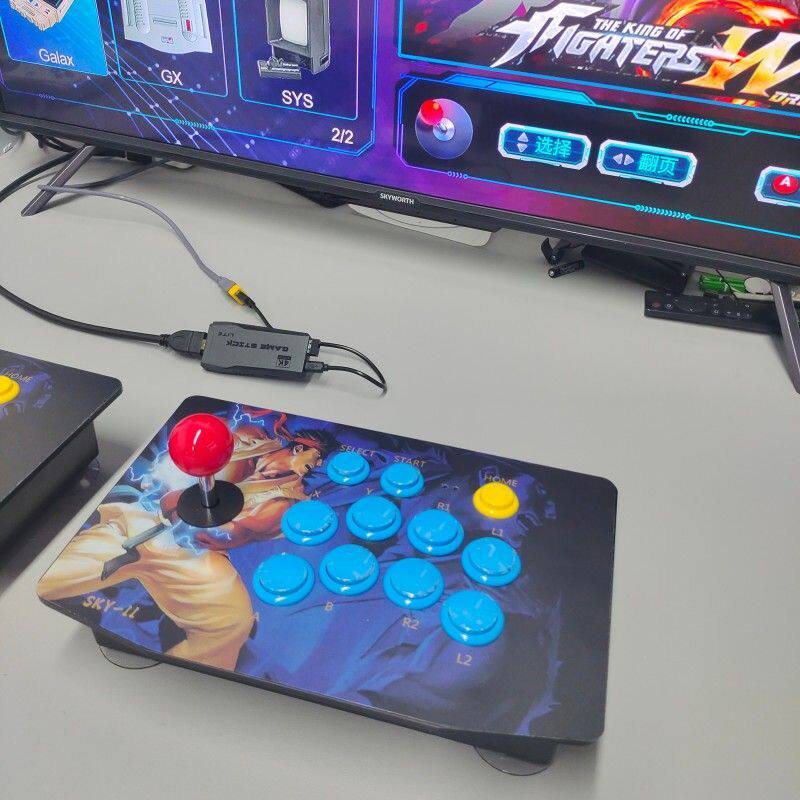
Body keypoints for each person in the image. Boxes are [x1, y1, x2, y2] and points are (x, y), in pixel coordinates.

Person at [38, 416, 336, 671]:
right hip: (144, 522)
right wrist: (175, 493)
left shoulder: (288, 499)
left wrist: (219, 526)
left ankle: (182, 678)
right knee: (57, 577)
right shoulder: (251, 438)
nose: (311, 469)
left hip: (197, 555)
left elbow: (243, 531)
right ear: (299, 447)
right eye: (313, 460)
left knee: (231, 622)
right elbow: (180, 469)